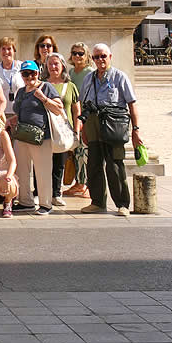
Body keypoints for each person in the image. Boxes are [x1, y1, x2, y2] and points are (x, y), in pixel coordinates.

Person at [77, 44, 141, 217]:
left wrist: (135, 130)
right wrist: (83, 128)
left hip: (114, 122)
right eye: (96, 57)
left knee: (115, 165)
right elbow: (83, 104)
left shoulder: (120, 77)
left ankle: (122, 204)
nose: (100, 60)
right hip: (92, 122)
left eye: (103, 56)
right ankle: (97, 202)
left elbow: (131, 104)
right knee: (94, 164)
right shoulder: (88, 79)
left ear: (110, 56)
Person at [13, 61, 63, 215]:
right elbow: (18, 111)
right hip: (22, 135)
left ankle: (45, 204)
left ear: (38, 73)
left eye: (32, 73)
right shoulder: (21, 91)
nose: (29, 77)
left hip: (41, 136)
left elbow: (59, 108)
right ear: (21, 75)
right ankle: (25, 201)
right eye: (25, 74)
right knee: (21, 170)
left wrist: (44, 99)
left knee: (42, 171)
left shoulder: (46, 87)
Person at [44, 52, 80, 207]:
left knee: (59, 163)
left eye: (56, 63)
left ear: (63, 65)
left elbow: (76, 111)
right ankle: (41, 192)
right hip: (45, 129)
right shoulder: (42, 84)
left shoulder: (70, 86)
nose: (53, 67)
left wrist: (76, 131)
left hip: (63, 130)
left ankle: (56, 193)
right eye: (50, 64)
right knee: (43, 163)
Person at [66, 42, 95, 197]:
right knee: (77, 152)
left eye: (80, 53)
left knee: (87, 152)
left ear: (86, 56)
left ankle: (89, 184)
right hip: (73, 117)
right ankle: (79, 182)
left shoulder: (89, 72)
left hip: (86, 116)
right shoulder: (70, 72)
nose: (77, 56)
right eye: (74, 53)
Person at [0, 36, 24, 119]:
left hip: (20, 112)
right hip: (2, 113)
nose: (6, 52)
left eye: (9, 49)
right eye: (3, 49)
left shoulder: (22, 67)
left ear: (14, 51)